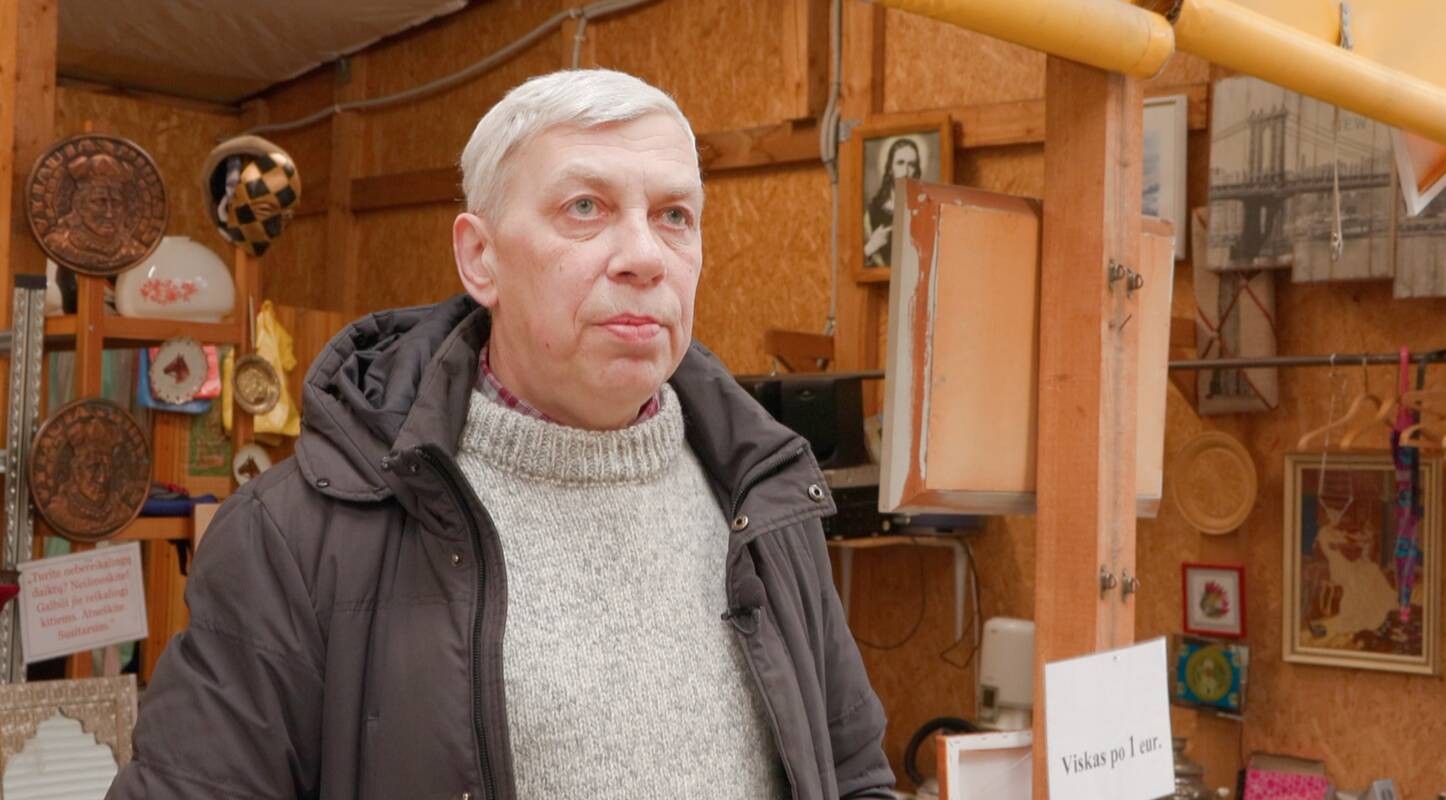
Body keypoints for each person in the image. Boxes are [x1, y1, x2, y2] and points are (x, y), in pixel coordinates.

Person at [107, 69, 893, 800]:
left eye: (674, 216)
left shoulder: (766, 503)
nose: (644, 256)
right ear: (479, 258)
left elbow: (853, 774)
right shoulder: (298, 539)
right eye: (584, 208)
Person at [863, 136, 922, 267]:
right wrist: (871, 247)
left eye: (911, 165)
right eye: (900, 163)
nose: (906, 171)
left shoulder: (925, 210)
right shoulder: (872, 212)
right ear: (890, 168)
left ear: (916, 170)